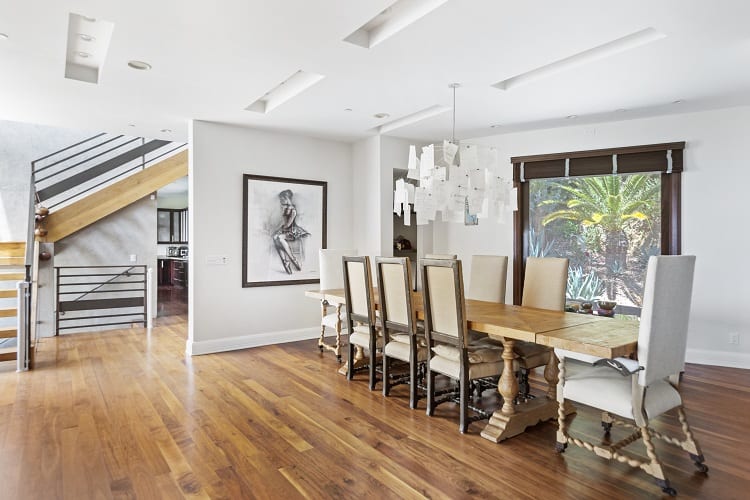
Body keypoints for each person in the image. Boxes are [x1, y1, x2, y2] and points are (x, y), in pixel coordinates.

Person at [273, 189, 310, 274]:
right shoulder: (285, 208)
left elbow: (288, 224)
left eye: (282, 199)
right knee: (275, 238)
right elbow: (284, 223)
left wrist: (280, 231)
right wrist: (279, 230)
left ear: (286, 198)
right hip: (285, 230)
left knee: (279, 237)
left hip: (293, 231)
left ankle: (293, 260)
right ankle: (285, 262)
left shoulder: (293, 210)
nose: (280, 201)